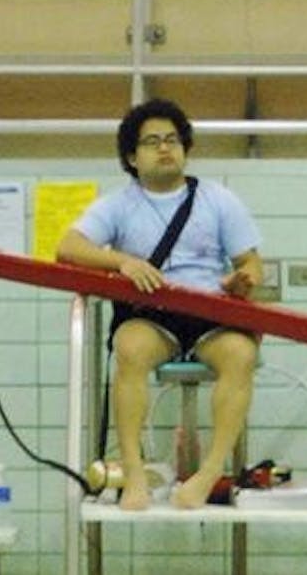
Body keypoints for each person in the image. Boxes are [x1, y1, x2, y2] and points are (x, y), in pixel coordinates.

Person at [56, 98, 263, 511]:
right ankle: (134, 474)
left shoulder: (219, 199)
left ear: (185, 147)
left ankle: (208, 475)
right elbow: (68, 247)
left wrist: (243, 280)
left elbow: (250, 261)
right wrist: (122, 261)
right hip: (148, 313)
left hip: (210, 311)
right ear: (132, 156)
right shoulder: (118, 204)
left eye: (172, 140)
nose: (165, 148)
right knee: (129, 350)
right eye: (152, 142)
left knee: (241, 353)